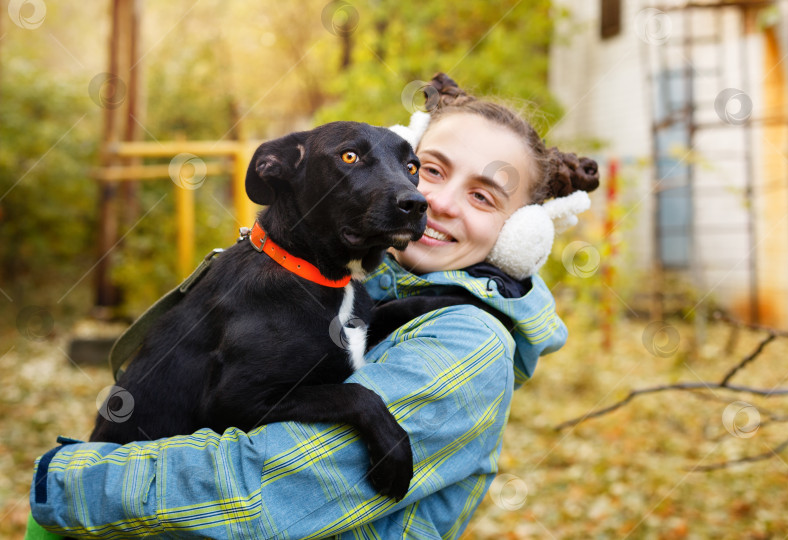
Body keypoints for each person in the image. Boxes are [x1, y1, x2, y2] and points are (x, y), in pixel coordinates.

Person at [28, 73, 598, 539]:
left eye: (482, 195)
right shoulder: (342, 281)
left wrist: (67, 481)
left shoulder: (468, 348)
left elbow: (253, 491)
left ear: (520, 233)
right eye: (428, 169)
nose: (429, 199)